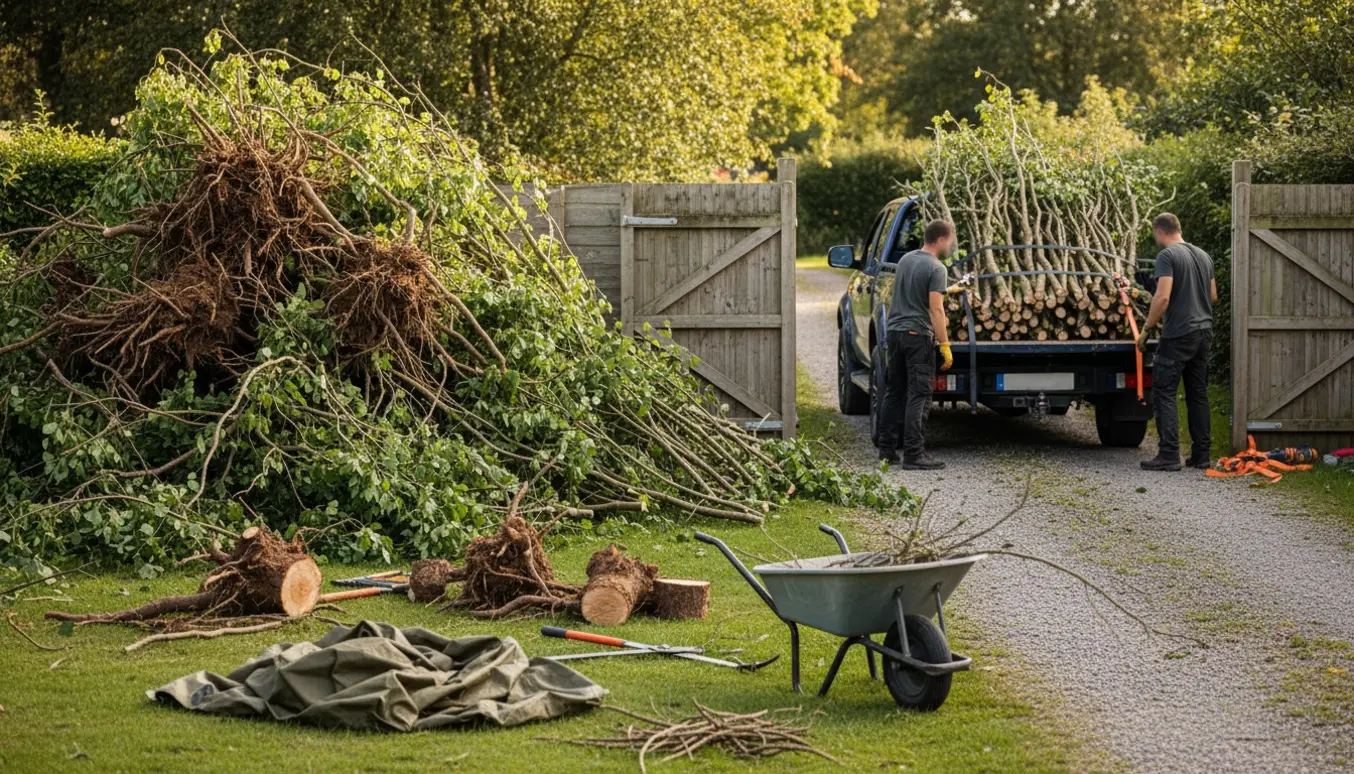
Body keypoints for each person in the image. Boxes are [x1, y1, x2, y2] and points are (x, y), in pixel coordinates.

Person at [1136, 212, 1218, 471]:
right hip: (1204, 332)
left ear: (1160, 231)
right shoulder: (1203, 255)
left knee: (1165, 392)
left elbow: (1162, 298)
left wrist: (1146, 329)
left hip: (1179, 333)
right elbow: (1213, 296)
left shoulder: (1167, 256)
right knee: (1198, 394)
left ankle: (1169, 454)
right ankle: (1201, 455)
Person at [877, 219, 956, 469]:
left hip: (895, 332)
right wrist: (944, 344)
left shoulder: (906, 260)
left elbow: (915, 290)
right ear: (942, 239)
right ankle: (914, 454)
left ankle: (887, 451)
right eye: (950, 240)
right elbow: (935, 309)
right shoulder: (937, 268)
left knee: (894, 393)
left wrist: (948, 290)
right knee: (919, 395)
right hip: (917, 336)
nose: (951, 245)